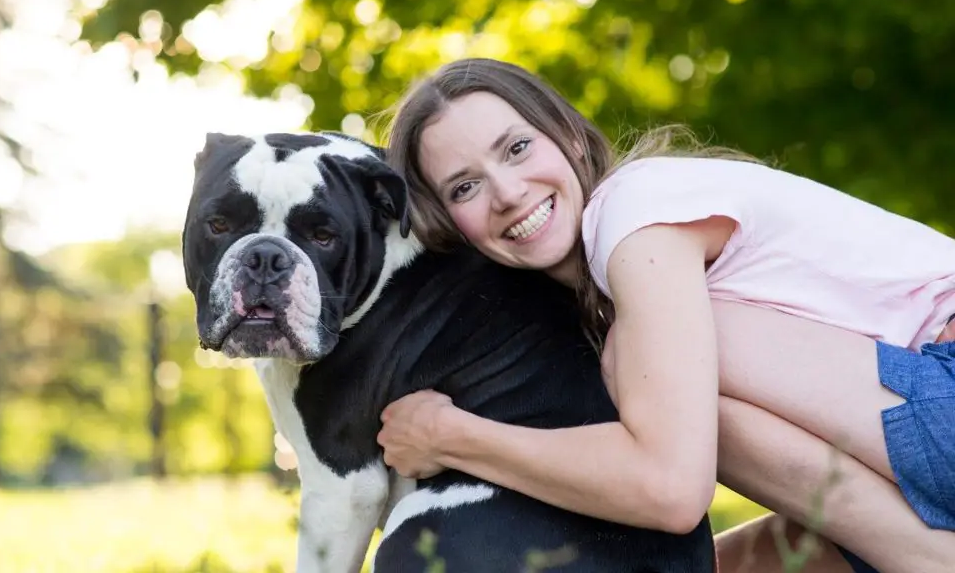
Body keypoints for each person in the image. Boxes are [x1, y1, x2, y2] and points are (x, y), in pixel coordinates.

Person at [376, 57, 955, 573]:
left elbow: (670, 488)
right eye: (465, 187)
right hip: (920, 438)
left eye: (517, 148)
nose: (505, 191)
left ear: (571, 138)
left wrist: (451, 437)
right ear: (451, 226)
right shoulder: (605, 298)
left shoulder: (633, 217)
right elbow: (816, 503)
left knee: (649, 378)